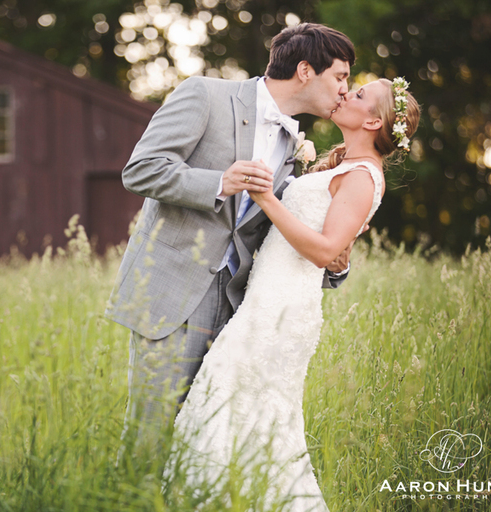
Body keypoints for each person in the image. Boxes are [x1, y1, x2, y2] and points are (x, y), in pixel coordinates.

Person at [167, 77, 421, 510]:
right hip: (265, 302)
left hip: (281, 312)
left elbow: (325, 251)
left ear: (374, 120)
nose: (347, 93)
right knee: (234, 418)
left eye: (359, 94)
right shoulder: (345, 167)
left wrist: (267, 198)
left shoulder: (362, 176)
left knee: (241, 418)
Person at [105, 23, 356, 458]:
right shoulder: (205, 94)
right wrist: (219, 182)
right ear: (304, 70)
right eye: (341, 77)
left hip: (240, 309)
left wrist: (336, 264)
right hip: (172, 292)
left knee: (205, 444)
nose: (345, 91)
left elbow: (279, 233)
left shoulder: (295, 142)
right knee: (150, 439)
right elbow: (140, 169)